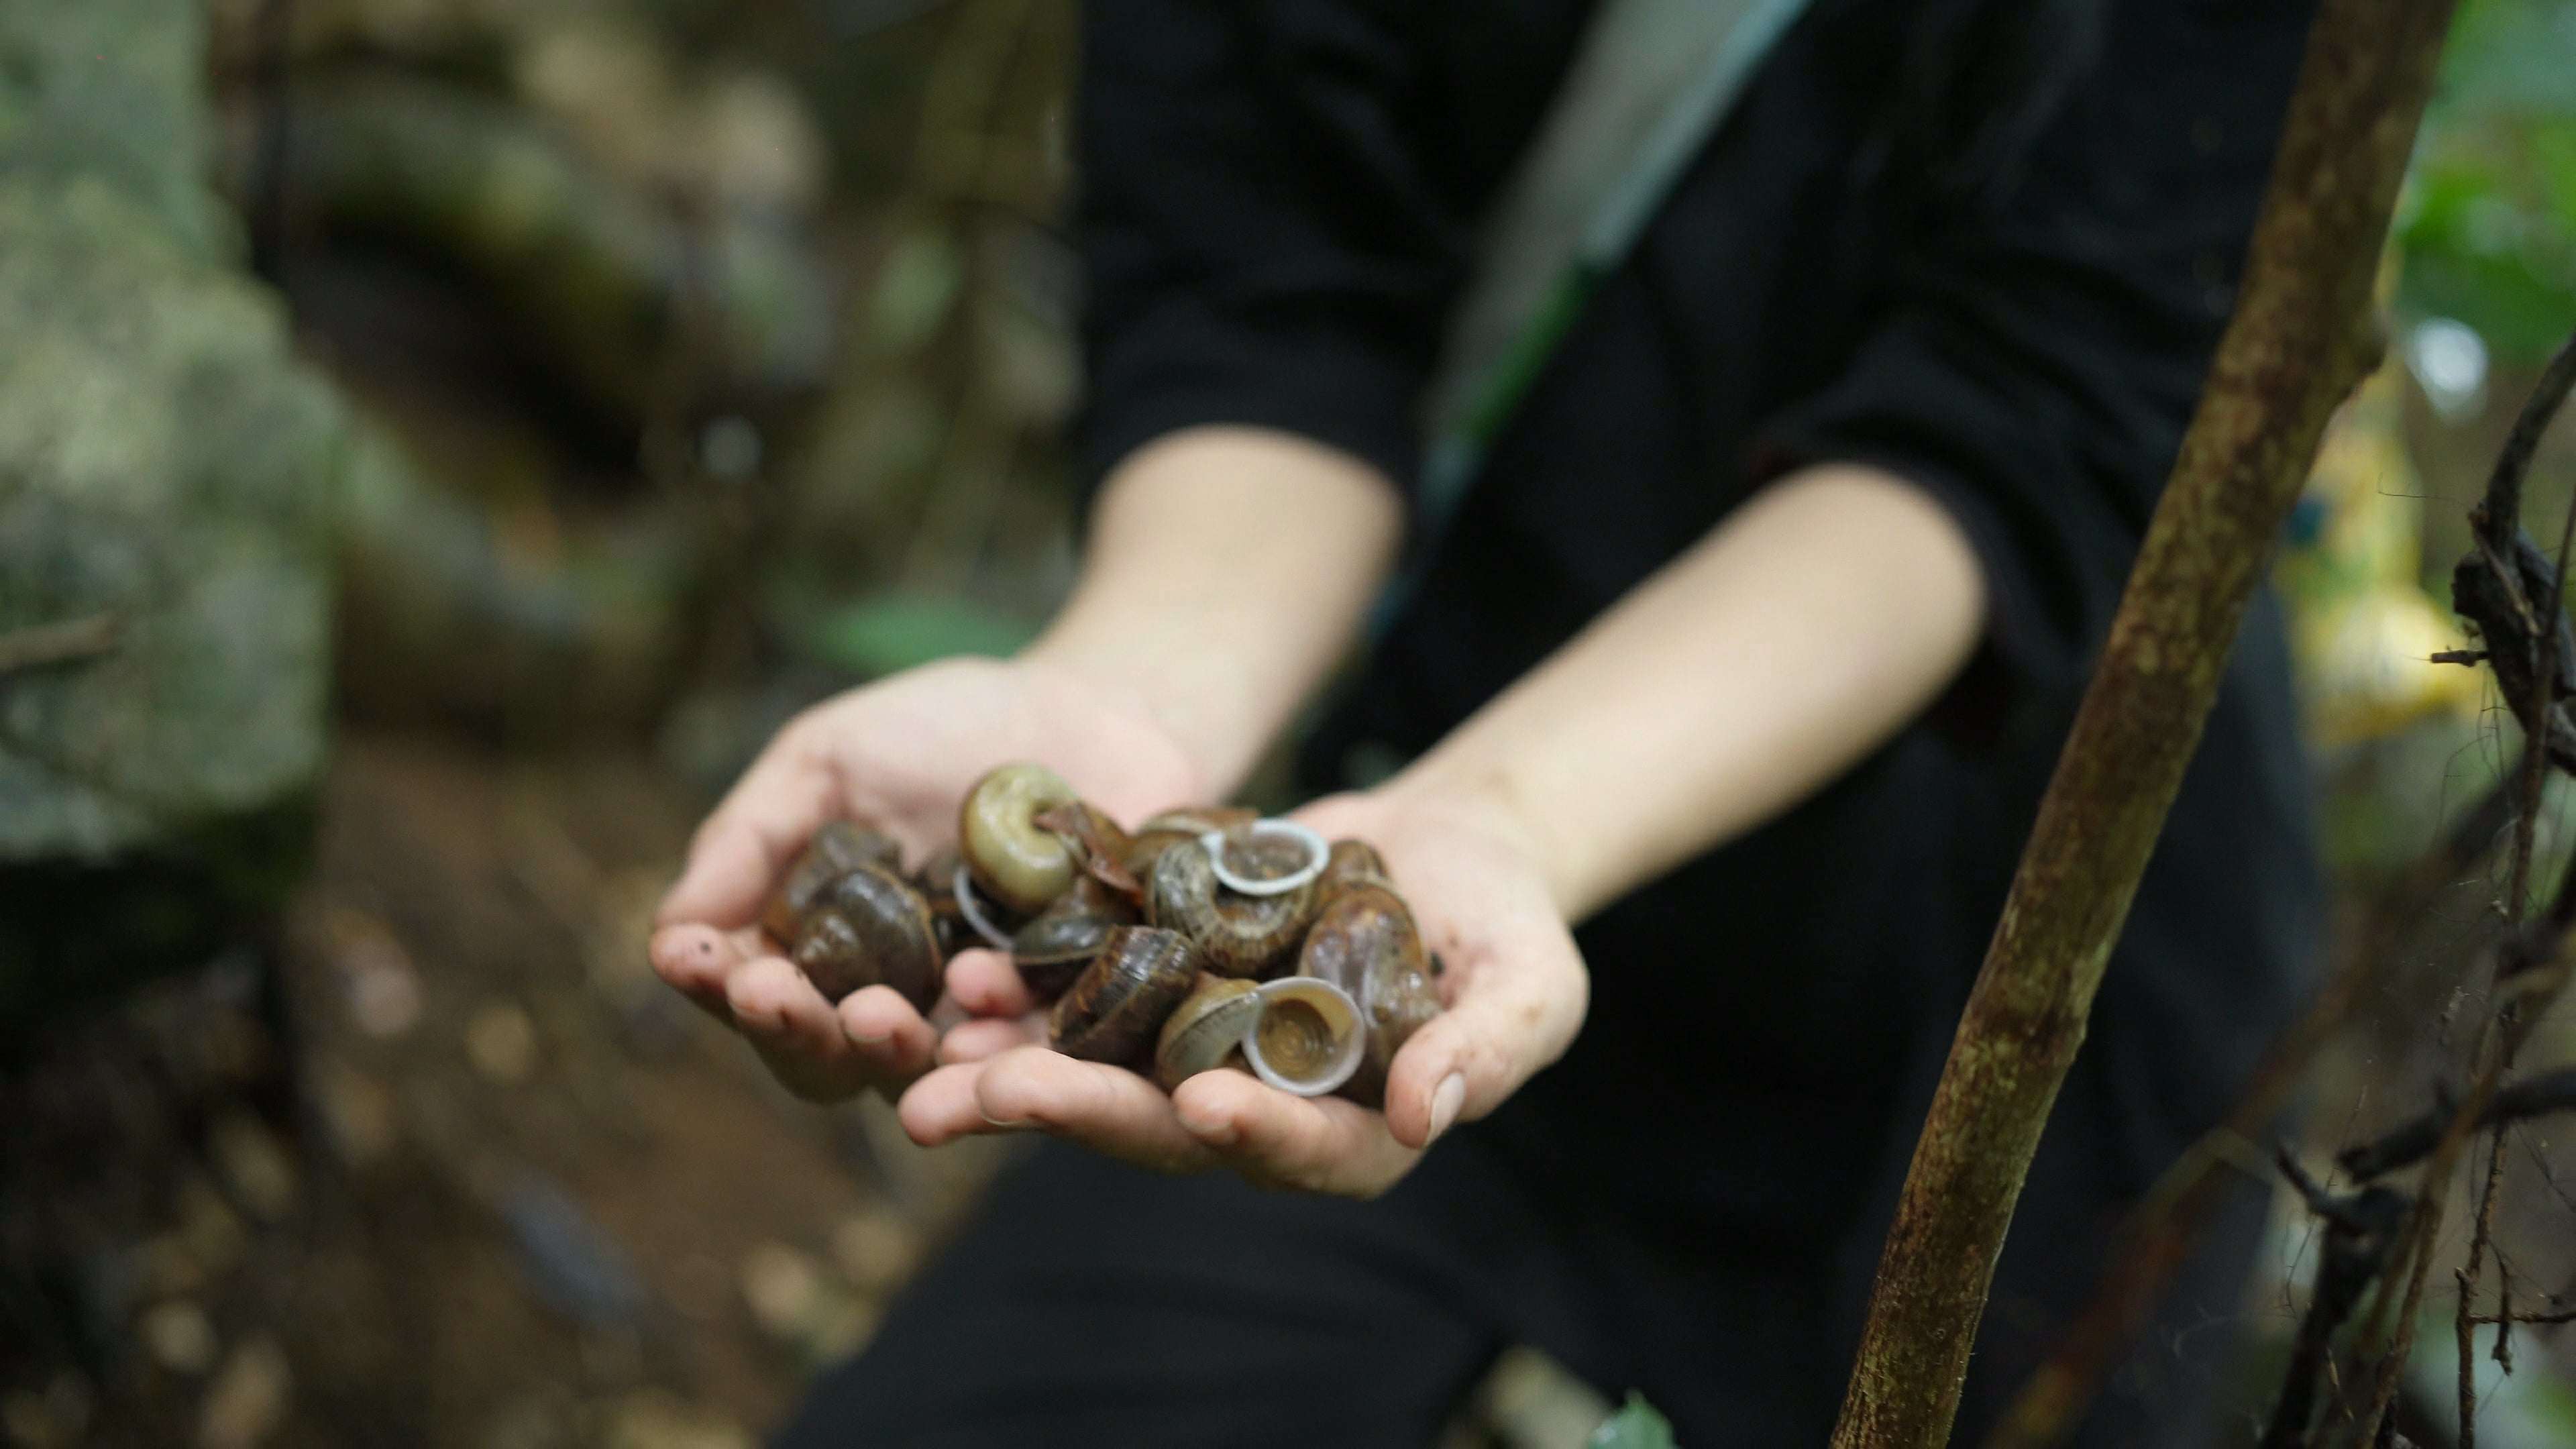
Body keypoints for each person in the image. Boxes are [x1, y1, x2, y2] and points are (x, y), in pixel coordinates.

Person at [650, 0, 2326, 1442]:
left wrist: (1526, 812)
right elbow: (1271, 279)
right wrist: (1131, 693)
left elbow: (2023, 406)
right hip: (1446, 828)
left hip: (1994, 919)